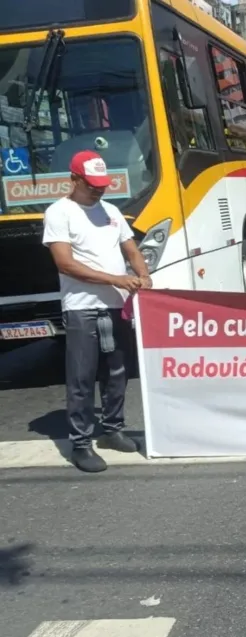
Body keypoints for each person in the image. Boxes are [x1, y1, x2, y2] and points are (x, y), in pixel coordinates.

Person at [43, 150, 152, 472]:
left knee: (117, 372)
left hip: (116, 306)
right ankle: (80, 443)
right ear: (74, 179)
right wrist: (115, 279)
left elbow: (131, 250)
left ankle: (112, 430)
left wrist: (142, 275)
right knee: (81, 377)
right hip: (82, 309)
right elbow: (65, 264)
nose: (99, 190)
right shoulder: (59, 212)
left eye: (102, 184)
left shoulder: (111, 211)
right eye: (92, 185)